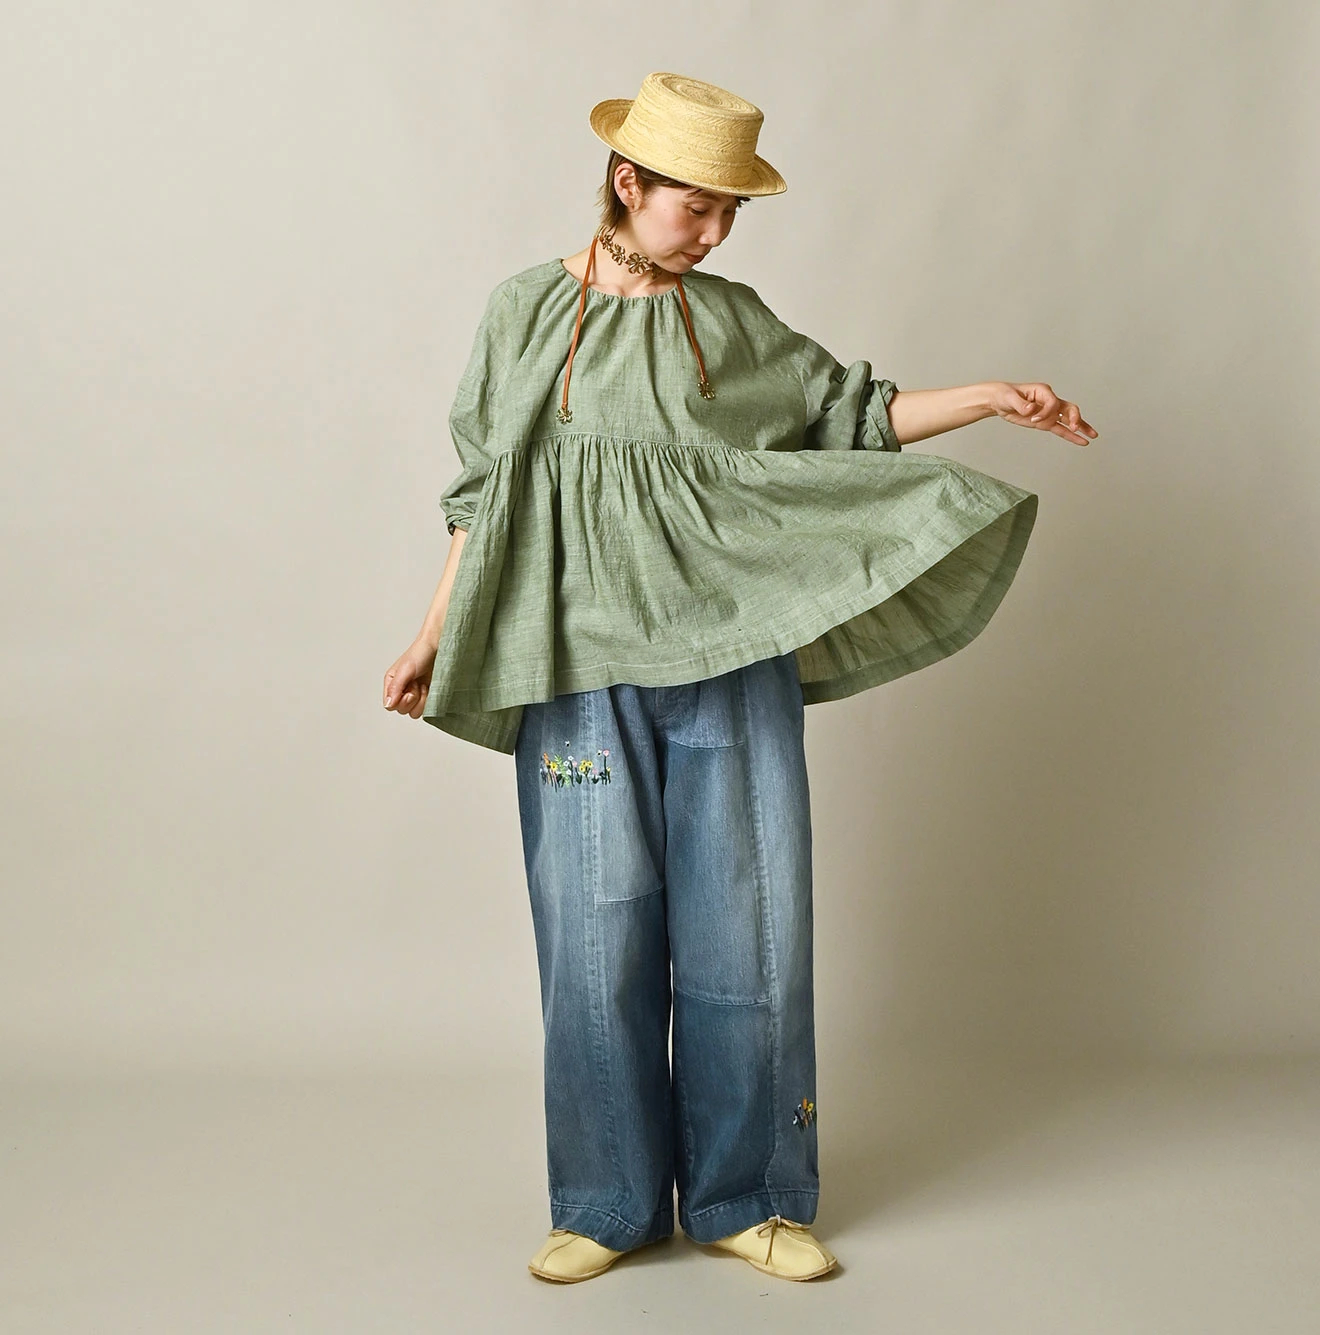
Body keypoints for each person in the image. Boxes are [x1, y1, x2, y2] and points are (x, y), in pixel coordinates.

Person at [382, 72, 1096, 1284]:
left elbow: (849, 418)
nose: (714, 233)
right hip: (577, 665)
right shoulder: (523, 314)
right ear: (627, 181)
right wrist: (433, 633)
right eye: (696, 207)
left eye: (730, 213)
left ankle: (746, 1196)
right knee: (592, 937)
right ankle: (605, 1204)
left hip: (731, 656)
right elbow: (483, 495)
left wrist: (986, 397)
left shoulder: (733, 321)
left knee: (747, 933)